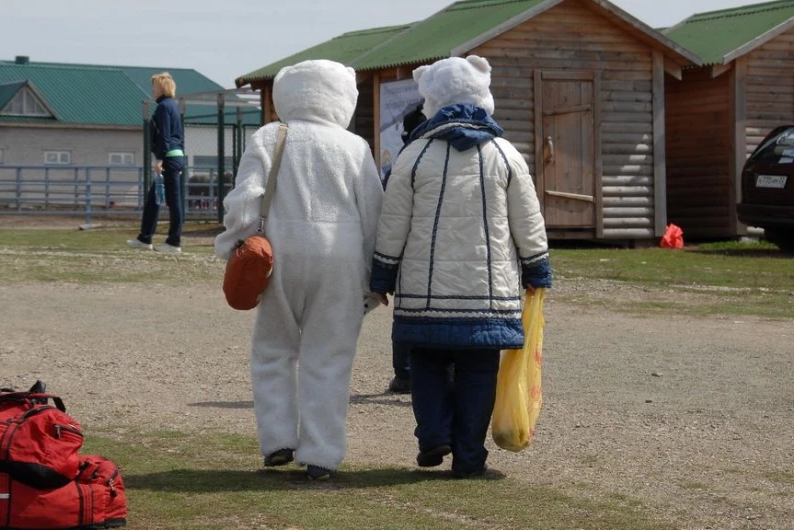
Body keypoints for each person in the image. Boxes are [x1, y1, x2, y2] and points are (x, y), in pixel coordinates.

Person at [370, 56, 552, 478]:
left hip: (423, 292)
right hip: (489, 292)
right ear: (482, 94)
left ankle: (433, 436)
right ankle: (470, 460)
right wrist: (537, 270)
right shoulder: (505, 154)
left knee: (427, 363)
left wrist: (381, 277)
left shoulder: (413, 155)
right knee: (478, 370)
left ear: (430, 98)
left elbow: (391, 224)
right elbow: (528, 220)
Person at [215, 59, 383, 481]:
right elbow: (374, 215)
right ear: (341, 97)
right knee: (329, 357)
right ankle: (322, 455)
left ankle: (277, 441)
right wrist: (375, 276)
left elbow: (244, 200)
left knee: (273, 351)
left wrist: (232, 245)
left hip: (278, 255)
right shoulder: (354, 146)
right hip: (340, 258)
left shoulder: (270, 135)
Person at [387, 103, 427, 395]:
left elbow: (390, 210)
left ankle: (405, 375)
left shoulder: (406, 157)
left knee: (406, 311)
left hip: (410, 248)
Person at [127, 72, 185, 254]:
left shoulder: (163, 108)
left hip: (169, 157)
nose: (153, 89)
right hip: (175, 156)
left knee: (173, 201)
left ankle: (174, 242)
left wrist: (160, 159)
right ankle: (145, 238)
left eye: (155, 86)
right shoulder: (173, 106)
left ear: (162, 88)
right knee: (153, 199)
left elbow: (165, 136)